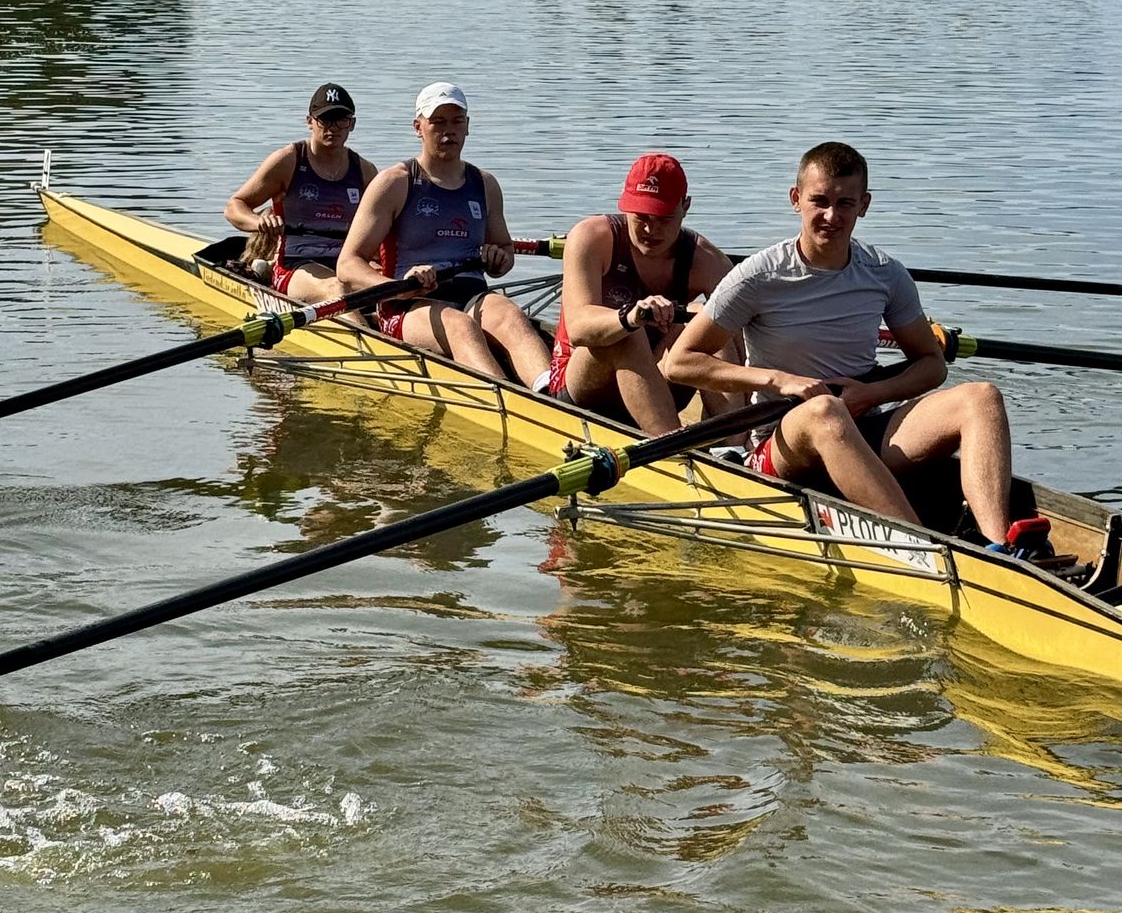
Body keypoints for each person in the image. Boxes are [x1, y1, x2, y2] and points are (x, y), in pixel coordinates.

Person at [665, 141, 1050, 559]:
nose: (831, 216)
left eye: (845, 203)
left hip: (863, 425)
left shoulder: (884, 273)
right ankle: (928, 553)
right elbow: (681, 363)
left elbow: (930, 365)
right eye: (819, 201)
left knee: (981, 397)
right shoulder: (757, 276)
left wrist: (872, 394)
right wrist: (779, 380)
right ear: (796, 200)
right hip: (783, 443)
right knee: (823, 412)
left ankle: (1000, 546)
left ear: (863, 205)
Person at [337, 82, 552, 389]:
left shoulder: (485, 184)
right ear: (418, 127)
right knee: (460, 326)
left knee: (511, 315)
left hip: (471, 292)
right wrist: (395, 288)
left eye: (456, 122)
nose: (448, 132)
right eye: (437, 122)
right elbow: (347, 264)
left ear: (468, 127)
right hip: (407, 305)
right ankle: (510, 403)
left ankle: (552, 394)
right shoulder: (394, 183)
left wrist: (498, 259)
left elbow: (504, 253)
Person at [547, 154, 736, 434]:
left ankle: (733, 446)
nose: (650, 229)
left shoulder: (706, 259)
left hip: (658, 381)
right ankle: (674, 451)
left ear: (685, 207)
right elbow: (578, 327)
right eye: (641, 217)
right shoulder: (591, 238)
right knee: (628, 333)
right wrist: (631, 316)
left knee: (712, 322)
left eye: (663, 218)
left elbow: (750, 340)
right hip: (580, 385)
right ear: (624, 205)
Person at [224, 83, 378, 303]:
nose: (332, 128)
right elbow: (234, 206)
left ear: (351, 124)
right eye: (324, 119)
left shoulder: (365, 171)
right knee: (338, 289)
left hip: (346, 262)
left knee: (386, 285)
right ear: (310, 122)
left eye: (341, 119)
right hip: (295, 263)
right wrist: (259, 222)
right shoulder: (288, 161)